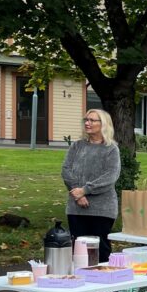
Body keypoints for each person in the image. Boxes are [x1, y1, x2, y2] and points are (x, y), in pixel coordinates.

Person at [61, 109, 122, 263]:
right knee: (79, 250)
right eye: (86, 120)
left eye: (92, 120)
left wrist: (85, 190)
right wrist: (77, 193)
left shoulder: (111, 149)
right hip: (76, 208)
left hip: (102, 209)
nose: (87, 123)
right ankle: (80, 283)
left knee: (100, 250)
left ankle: (105, 284)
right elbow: (66, 170)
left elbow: (110, 176)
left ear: (103, 124)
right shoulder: (77, 146)